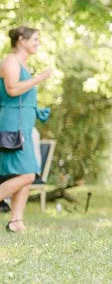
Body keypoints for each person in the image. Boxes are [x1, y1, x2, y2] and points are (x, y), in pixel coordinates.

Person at [0, 27, 53, 233]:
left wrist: (36, 110)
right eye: (35, 39)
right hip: (12, 125)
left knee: (25, 171)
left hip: (24, 125)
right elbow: (12, 89)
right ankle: (15, 220)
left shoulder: (23, 64)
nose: (38, 43)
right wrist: (40, 78)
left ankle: (16, 221)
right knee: (29, 174)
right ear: (21, 40)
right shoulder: (11, 61)